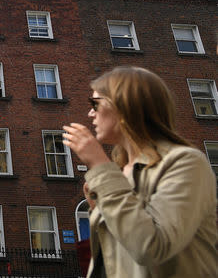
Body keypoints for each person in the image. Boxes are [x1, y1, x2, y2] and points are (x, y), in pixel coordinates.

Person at [62, 66, 217, 278]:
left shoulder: (185, 162)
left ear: (125, 107)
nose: (90, 113)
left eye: (95, 104)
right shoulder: (118, 173)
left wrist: (99, 167)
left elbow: (152, 248)